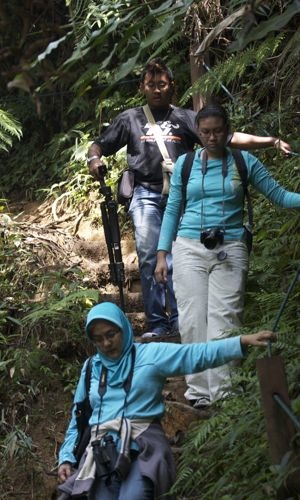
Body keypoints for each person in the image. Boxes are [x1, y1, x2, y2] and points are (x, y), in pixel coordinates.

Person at [87, 58, 292, 338]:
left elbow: (224, 139)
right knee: (150, 254)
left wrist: (270, 141)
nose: (157, 90)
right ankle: (158, 323)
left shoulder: (184, 118)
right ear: (142, 88)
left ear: (172, 86)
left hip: (182, 194)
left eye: (162, 84)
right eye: (151, 85)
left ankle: (181, 321)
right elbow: (100, 143)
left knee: (178, 256)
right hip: (145, 193)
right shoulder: (130, 118)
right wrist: (94, 159)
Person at [155, 103, 300, 409]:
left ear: (227, 131)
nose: (211, 137)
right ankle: (198, 395)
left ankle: (224, 397)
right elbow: (172, 209)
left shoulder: (244, 162)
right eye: (205, 132)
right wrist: (161, 253)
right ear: (198, 131)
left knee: (224, 321)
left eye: (217, 131)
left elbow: (280, 196)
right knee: (193, 321)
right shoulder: (185, 164)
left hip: (230, 247)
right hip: (189, 247)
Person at [57, 301, 275, 499]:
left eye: (111, 334)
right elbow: (78, 417)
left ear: (123, 328)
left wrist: (242, 342)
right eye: (98, 339)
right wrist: (66, 457)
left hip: (141, 448)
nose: (106, 343)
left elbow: (195, 354)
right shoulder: (90, 368)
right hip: (100, 453)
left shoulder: (150, 355)